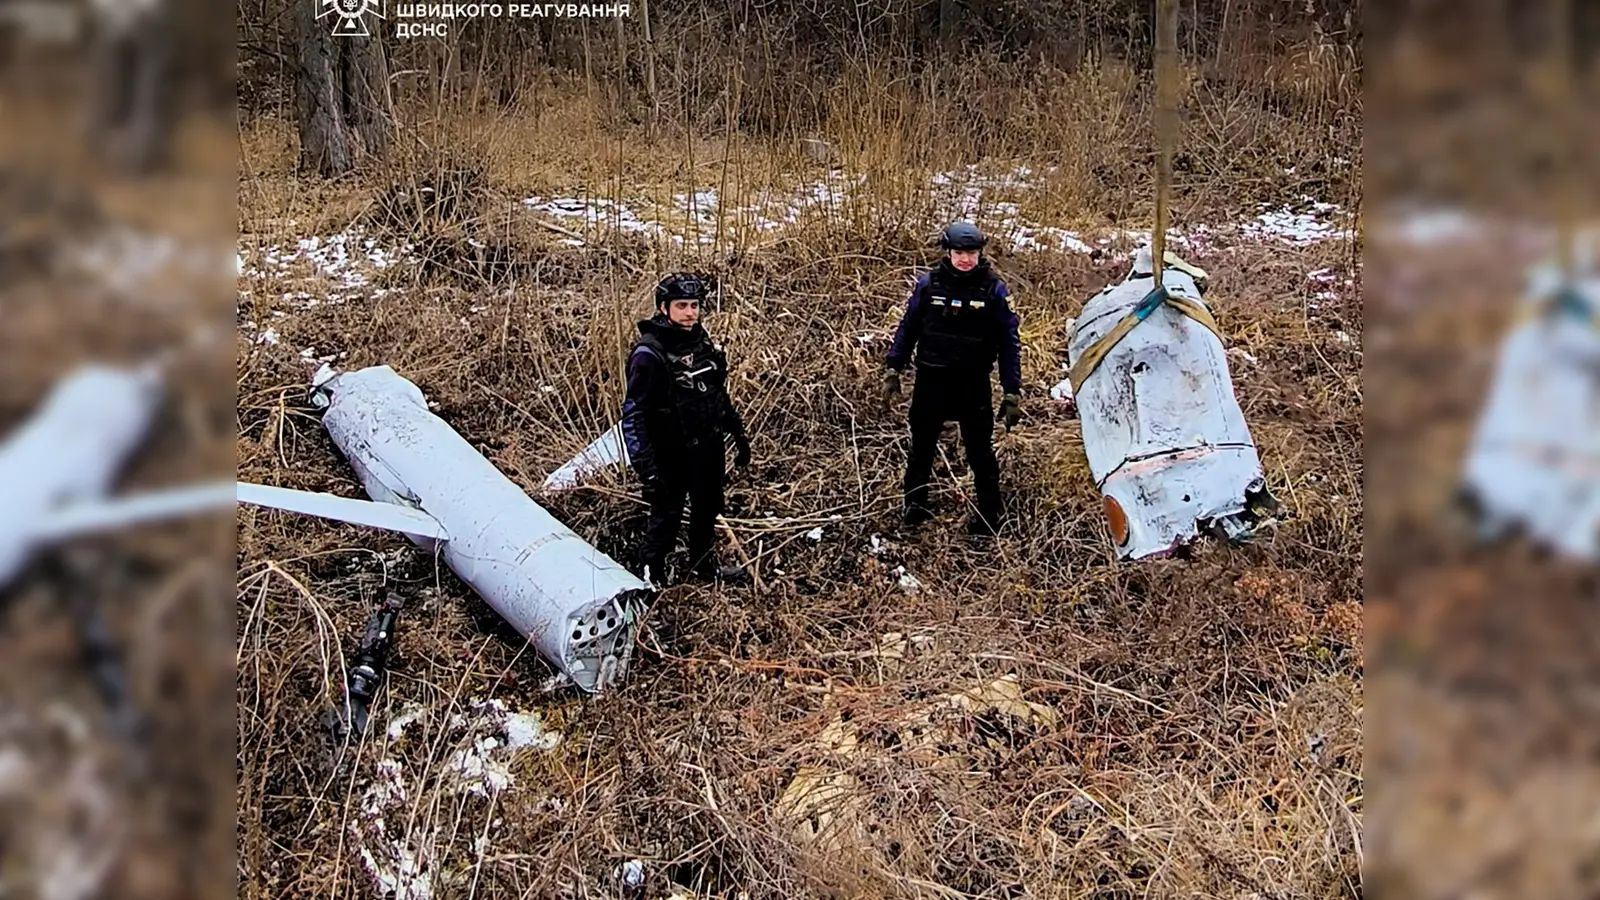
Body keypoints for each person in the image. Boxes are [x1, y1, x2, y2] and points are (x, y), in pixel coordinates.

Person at [882, 222, 1022, 535]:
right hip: (931, 380)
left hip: (973, 385)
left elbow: (1009, 342)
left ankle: (987, 519)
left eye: (971, 253)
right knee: (921, 448)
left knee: (979, 452)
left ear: (980, 253)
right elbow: (909, 327)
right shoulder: (929, 285)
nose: (965, 259)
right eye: (959, 252)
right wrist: (894, 366)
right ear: (948, 251)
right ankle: (914, 509)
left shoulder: (993, 290)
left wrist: (1012, 391)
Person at [621, 273, 752, 585]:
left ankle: (704, 570)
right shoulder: (649, 354)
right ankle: (651, 579)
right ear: (665, 308)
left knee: (707, 511)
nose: (691, 312)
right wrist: (647, 470)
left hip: (708, 446)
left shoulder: (702, 342)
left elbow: (717, 393)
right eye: (682, 305)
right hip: (671, 453)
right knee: (666, 517)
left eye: (695, 305)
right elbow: (633, 416)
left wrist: (737, 433)